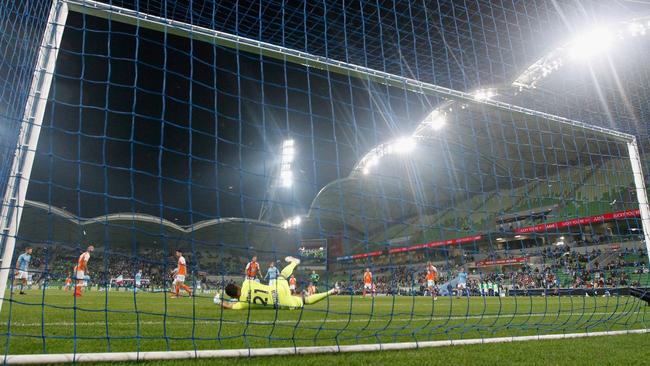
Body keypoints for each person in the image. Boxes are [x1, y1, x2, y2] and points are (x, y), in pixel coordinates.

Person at [220, 256, 338, 310]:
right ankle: (294, 263)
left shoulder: (242, 305)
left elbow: (228, 306)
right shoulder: (246, 283)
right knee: (282, 275)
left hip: (282, 303)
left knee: (304, 300)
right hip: (277, 289)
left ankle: (331, 291)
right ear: (237, 286)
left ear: (233, 296)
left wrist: (219, 302)